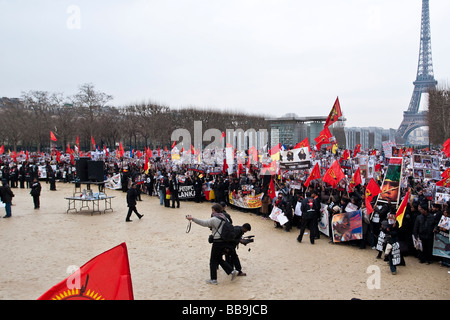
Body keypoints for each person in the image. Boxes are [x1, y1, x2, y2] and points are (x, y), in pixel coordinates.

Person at [185, 203, 238, 285]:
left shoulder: (214, 219)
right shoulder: (225, 218)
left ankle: (213, 279)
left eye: (212, 210)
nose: (212, 212)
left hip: (217, 242)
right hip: (224, 241)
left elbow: (204, 223)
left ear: (215, 210)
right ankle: (231, 270)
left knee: (212, 260)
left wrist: (192, 219)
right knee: (219, 258)